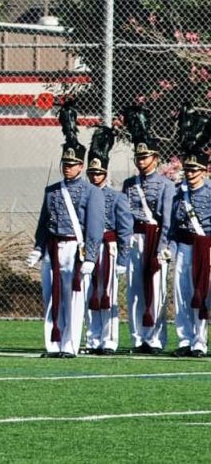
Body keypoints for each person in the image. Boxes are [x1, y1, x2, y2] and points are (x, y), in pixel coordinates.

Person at [28, 137, 104, 358]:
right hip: (52, 247)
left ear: (81, 166)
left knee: (73, 297)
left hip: (74, 247)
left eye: (72, 164)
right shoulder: (51, 191)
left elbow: (94, 227)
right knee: (51, 295)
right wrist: (37, 248)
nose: (68, 168)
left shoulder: (91, 192)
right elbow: (44, 223)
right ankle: (53, 344)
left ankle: (69, 345)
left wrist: (90, 257)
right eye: (65, 164)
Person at [121, 109, 175, 354]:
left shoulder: (165, 185)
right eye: (138, 157)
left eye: (145, 157)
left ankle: (155, 338)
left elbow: (167, 219)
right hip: (135, 238)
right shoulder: (129, 185)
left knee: (156, 289)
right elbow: (123, 215)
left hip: (155, 239)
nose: (141, 161)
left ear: (155, 158)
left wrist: (163, 245)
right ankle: (137, 338)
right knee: (134, 290)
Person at [84, 127, 133, 355]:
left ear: (105, 173)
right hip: (87, 248)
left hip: (108, 247)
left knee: (108, 293)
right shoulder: (83, 193)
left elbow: (124, 230)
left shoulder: (116, 197)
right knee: (88, 293)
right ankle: (92, 339)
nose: (95, 177)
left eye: (99, 173)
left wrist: (123, 257)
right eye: (92, 173)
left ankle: (109, 340)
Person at [167, 146, 211, 356]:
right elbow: (174, 228)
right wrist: (170, 250)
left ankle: (199, 342)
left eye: (195, 170)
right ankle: (185, 339)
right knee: (181, 293)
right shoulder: (178, 195)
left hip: (204, 248)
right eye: (188, 170)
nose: (191, 174)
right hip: (184, 247)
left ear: (204, 171)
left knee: (200, 293)